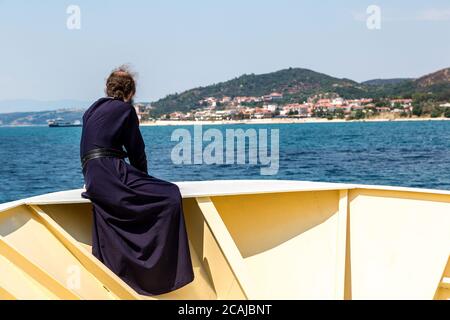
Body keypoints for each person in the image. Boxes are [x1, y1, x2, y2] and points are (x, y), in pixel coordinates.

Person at [79, 65, 194, 296]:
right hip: (110, 172)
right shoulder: (125, 111)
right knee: (170, 194)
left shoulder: (91, 110)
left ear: (107, 87)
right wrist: (144, 178)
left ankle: (124, 274)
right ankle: (160, 274)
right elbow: (136, 151)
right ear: (130, 93)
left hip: (93, 176)